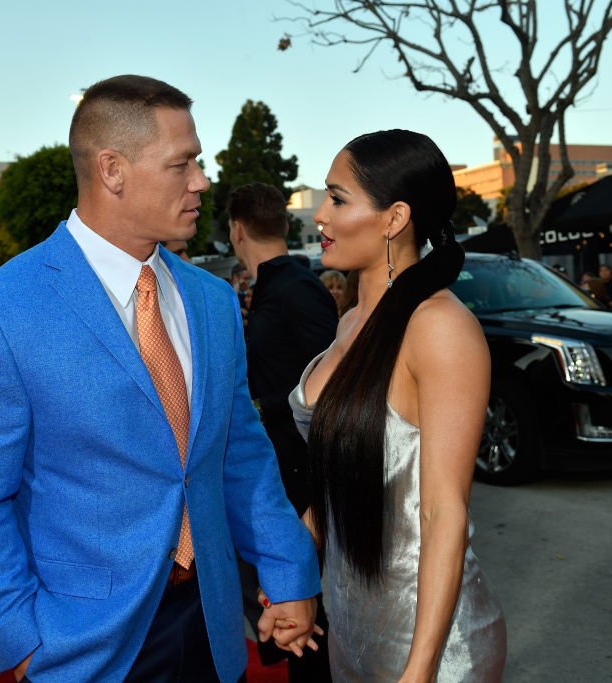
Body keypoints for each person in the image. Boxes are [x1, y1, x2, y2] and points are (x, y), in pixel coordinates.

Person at [0, 75, 320, 682]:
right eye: (181, 164)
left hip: (212, 625)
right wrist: (20, 637)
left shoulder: (212, 302)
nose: (201, 182)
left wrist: (288, 571)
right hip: (81, 646)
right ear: (112, 170)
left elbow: (239, 452)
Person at [284, 130, 506, 681]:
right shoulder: (350, 322)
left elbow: (443, 511)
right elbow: (333, 485)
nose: (321, 218)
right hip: (352, 630)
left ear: (393, 217)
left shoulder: (439, 328)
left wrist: (421, 669)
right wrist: (288, 581)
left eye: (337, 199)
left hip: (430, 644)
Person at [228, 181, 338, 681]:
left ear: (236, 231)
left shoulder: (297, 289)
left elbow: (333, 386)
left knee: (312, 620)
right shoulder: (279, 288)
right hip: (280, 473)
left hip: (307, 477)